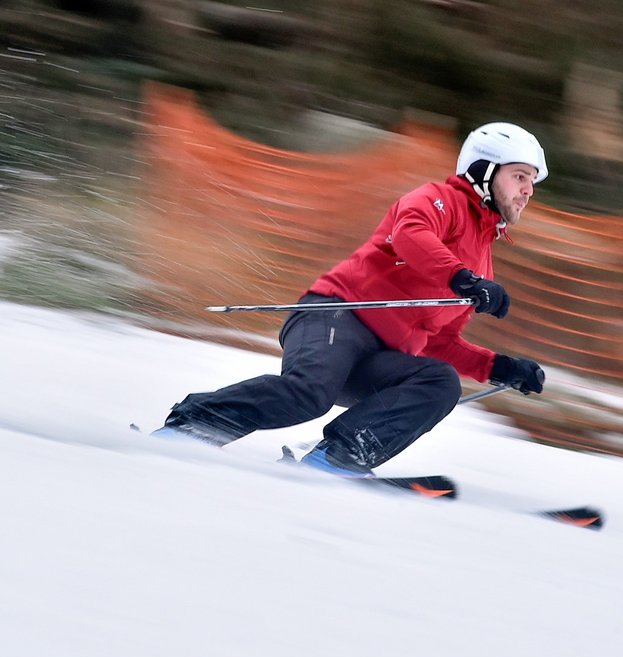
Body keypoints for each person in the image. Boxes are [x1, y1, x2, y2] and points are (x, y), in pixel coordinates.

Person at [153, 122, 547, 477]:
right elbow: (411, 234)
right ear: (482, 170)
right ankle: (194, 424)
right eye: (519, 176)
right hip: (333, 316)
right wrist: (461, 278)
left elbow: (438, 342)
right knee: (310, 393)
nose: (527, 190)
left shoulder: (482, 260)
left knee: (439, 382)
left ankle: (341, 455)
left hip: (375, 360)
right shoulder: (439, 200)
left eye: (531, 181)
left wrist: (498, 366)